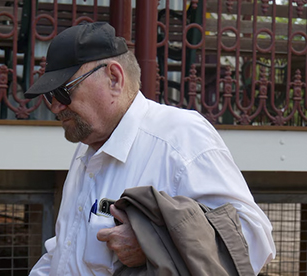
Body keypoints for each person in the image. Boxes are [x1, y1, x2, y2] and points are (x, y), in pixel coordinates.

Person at [24, 22, 276, 275]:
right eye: (50, 95)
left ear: (114, 78)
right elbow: (66, 251)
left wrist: (152, 242)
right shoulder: (88, 146)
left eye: (63, 91)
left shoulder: (179, 137)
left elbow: (253, 243)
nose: (55, 106)